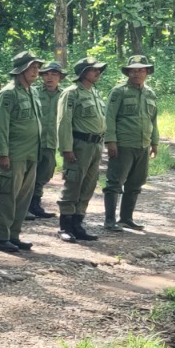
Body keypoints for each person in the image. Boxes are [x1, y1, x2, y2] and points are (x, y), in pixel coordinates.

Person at [0, 51, 44, 253]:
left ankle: (13, 235)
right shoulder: (8, 93)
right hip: (14, 154)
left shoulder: (33, 92)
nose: (36, 71)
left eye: (37, 67)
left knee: (23, 198)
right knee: (7, 197)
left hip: (31, 153)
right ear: (21, 70)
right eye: (31, 67)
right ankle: (0, 237)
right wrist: (2, 153)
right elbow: (0, 126)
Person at [102, 56, 159, 232]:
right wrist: (110, 141)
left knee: (135, 183)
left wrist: (154, 142)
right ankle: (109, 221)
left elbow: (153, 120)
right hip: (123, 144)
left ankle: (126, 218)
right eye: (133, 70)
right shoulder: (119, 92)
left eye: (141, 70)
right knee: (115, 183)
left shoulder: (150, 93)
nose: (137, 73)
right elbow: (109, 117)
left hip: (142, 145)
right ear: (128, 73)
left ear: (147, 72)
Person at [56, 58, 108, 242]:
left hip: (95, 145)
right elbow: (64, 122)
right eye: (93, 70)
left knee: (88, 185)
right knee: (73, 184)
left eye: (99, 70)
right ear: (83, 73)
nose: (98, 72)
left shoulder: (94, 92)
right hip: (79, 145)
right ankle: (65, 226)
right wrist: (66, 148)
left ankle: (78, 224)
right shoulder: (71, 93)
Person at [28, 62, 65, 220]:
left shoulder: (64, 95)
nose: (50, 78)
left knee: (45, 173)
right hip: (33, 142)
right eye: (46, 74)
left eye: (54, 74)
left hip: (51, 142)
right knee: (28, 175)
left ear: (60, 77)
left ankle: (35, 205)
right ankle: (25, 206)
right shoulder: (34, 93)